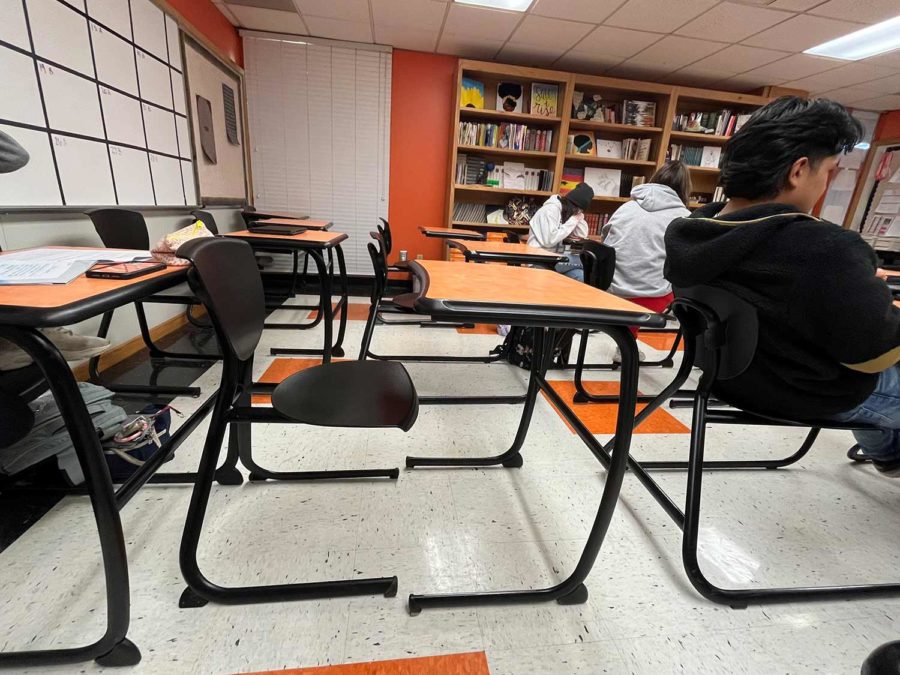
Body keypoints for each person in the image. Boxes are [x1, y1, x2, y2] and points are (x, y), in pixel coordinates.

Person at [664, 96, 900, 477]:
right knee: (872, 356)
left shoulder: (690, 231)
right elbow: (875, 352)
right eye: (830, 172)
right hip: (808, 392)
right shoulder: (821, 246)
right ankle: (889, 453)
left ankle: (889, 455)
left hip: (728, 381)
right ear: (799, 170)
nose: (826, 184)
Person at [603, 160, 692, 314]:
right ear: (685, 188)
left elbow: (604, 243)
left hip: (611, 291)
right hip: (653, 298)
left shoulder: (626, 208)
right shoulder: (685, 218)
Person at [527, 182, 593, 281]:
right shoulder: (550, 210)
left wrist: (579, 218)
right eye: (578, 211)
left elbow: (582, 234)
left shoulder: (566, 212)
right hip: (539, 259)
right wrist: (574, 220)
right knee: (589, 261)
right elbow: (549, 240)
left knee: (581, 276)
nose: (578, 214)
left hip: (554, 256)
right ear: (573, 206)